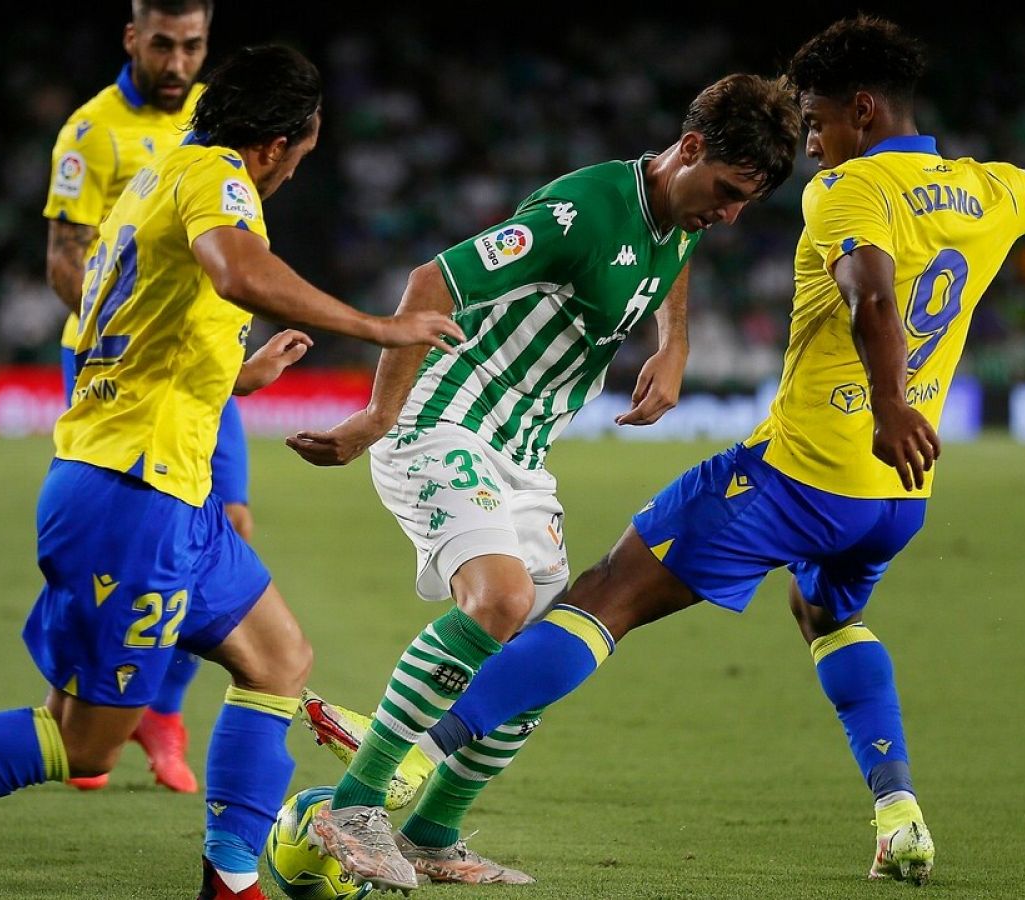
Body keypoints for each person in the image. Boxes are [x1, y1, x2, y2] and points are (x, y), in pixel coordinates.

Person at [306, 15, 1025, 890]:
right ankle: (899, 816)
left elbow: (871, 294)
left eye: (816, 121)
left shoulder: (849, 192)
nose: (812, 144)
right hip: (896, 497)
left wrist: (884, 400)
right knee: (827, 620)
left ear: (862, 111)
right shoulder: (991, 187)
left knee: (596, 607)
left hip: (799, 474)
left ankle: (400, 779)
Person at [0, 44, 462, 900]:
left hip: (165, 487)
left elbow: (148, 329)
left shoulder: (157, 175)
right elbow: (235, 270)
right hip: (128, 498)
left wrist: (239, 376)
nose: (294, 173)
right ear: (277, 144)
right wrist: (378, 326)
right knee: (84, 743)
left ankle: (233, 881)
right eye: (303, 154)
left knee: (278, 662)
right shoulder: (217, 176)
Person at [288, 72, 803, 891]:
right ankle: (353, 806)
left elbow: (678, 252)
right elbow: (432, 282)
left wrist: (676, 345)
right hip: (445, 419)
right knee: (499, 602)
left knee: (541, 656)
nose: (730, 214)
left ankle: (433, 834)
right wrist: (379, 417)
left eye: (747, 202)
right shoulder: (584, 213)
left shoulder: (678, 210)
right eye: (727, 192)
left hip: (523, 455)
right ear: (691, 150)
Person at [42, 0, 221, 795]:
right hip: (118, 373)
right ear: (132, 39)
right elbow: (63, 257)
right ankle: (82, 705)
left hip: (203, 365)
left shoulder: (216, 119)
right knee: (107, 550)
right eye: (163, 45)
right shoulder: (91, 132)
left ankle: (162, 709)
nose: (178, 63)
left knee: (225, 526)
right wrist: (117, 334)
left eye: (192, 46)